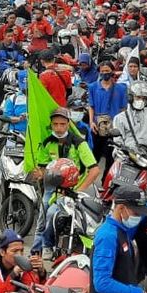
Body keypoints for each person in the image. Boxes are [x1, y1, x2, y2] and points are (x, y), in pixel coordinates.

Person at [31, 108, 102, 254]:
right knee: (46, 215)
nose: (58, 128)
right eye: (55, 124)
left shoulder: (79, 143)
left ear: (68, 124)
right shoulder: (47, 143)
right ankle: (42, 248)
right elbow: (43, 168)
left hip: (76, 190)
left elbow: (95, 170)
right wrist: (40, 173)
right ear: (51, 125)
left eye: (62, 124)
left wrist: (79, 190)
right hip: (54, 190)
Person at [113, 82, 147, 150]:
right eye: (138, 97)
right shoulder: (119, 118)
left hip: (146, 154)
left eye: (144, 98)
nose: (141, 101)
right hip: (128, 154)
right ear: (130, 97)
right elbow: (117, 143)